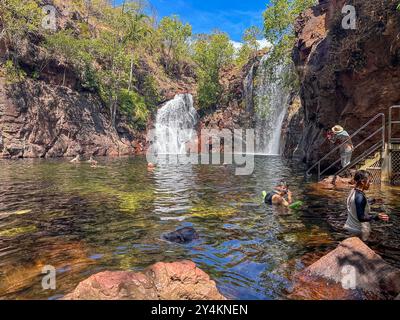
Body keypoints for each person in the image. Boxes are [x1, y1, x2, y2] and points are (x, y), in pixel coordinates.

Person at [344, 170, 389, 241]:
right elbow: (361, 217)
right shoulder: (360, 197)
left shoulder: (353, 191)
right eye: (369, 181)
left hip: (350, 227)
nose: (370, 184)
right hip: (360, 230)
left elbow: (357, 204)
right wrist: (376, 217)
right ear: (362, 182)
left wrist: (373, 201)